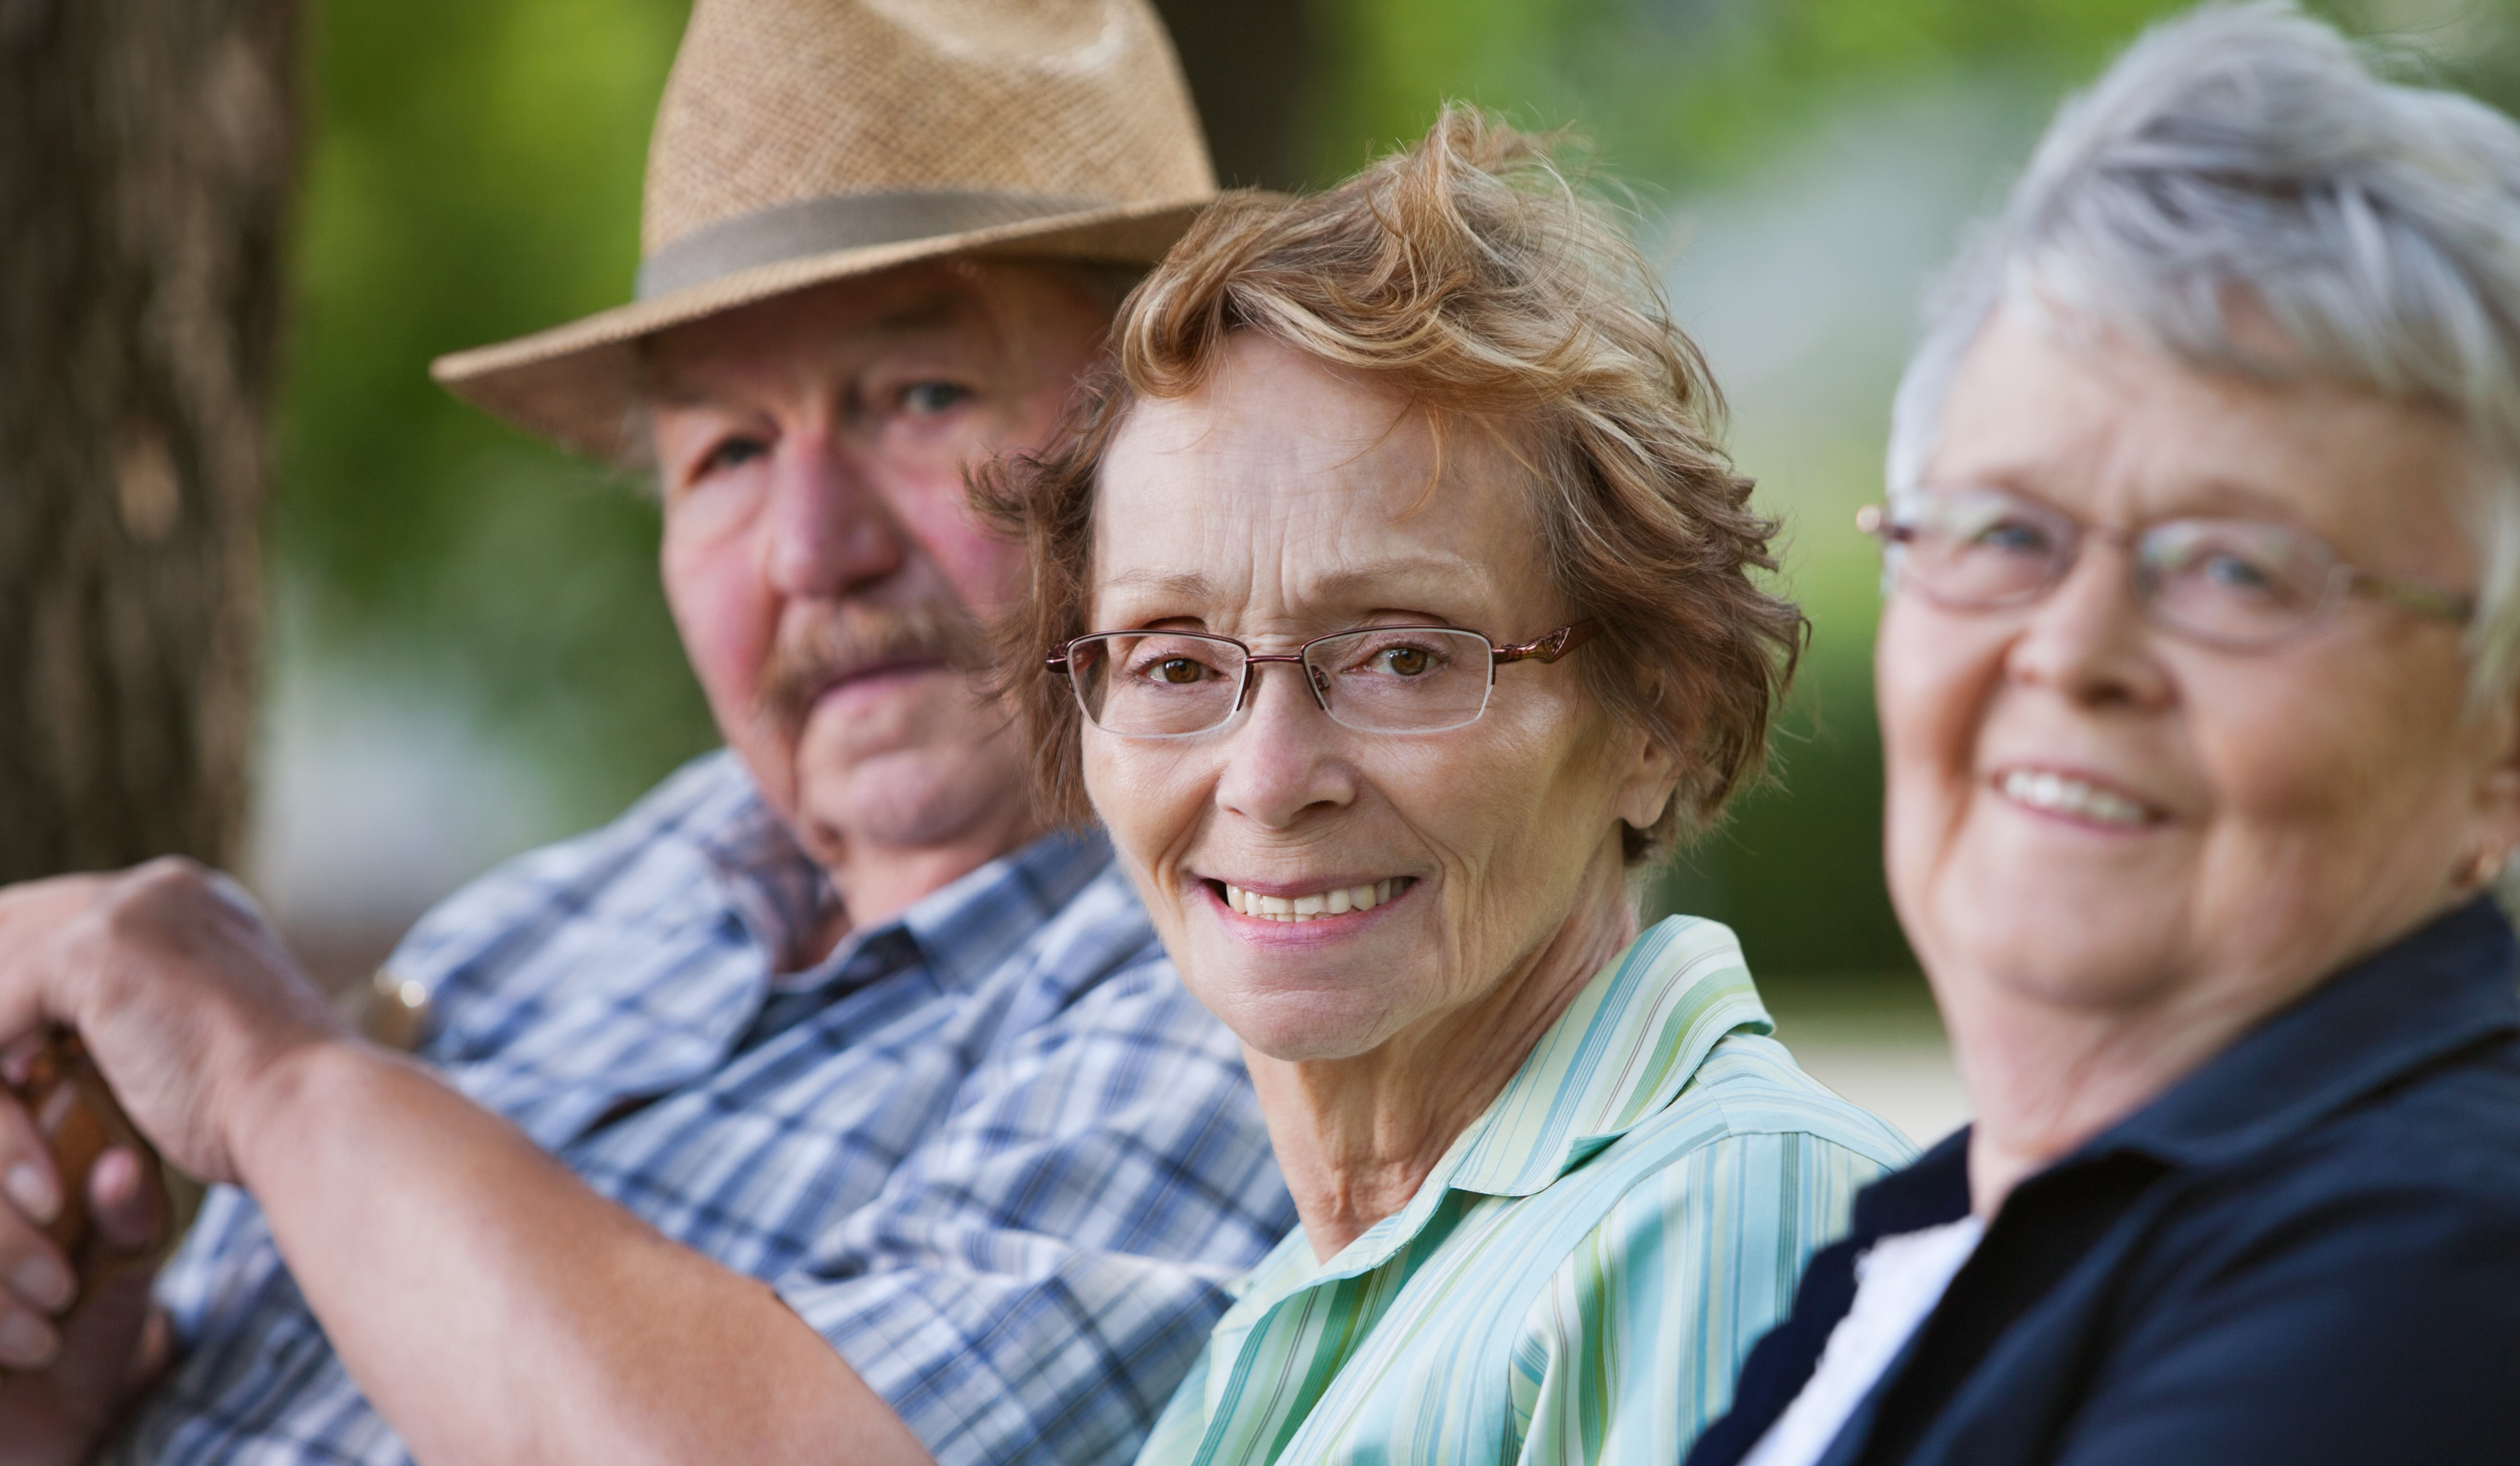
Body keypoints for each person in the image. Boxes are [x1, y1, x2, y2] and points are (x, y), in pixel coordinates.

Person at [0, 2, 1297, 1463]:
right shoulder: (567, 914)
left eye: (920, 396)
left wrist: (273, 1076)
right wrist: (75, 1402)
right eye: (728, 452)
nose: (811, 551)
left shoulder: (1266, 964)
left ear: (1187, 441)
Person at [1687, 8, 2520, 1466]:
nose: (2072, 650)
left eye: (2237, 569)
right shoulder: (1953, 1231)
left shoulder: (2462, 1281)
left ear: (2513, 736)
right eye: (2008, 531)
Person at [971, 107, 1919, 1466]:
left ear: (1657, 713)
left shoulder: (1724, 1219)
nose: (1272, 776)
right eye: (1176, 664)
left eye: (1405, 655)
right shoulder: (1320, 1300)